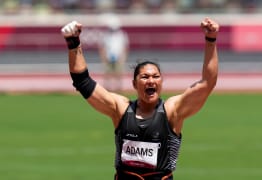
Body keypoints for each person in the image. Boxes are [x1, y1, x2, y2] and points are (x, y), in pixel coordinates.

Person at [61, 17, 219, 180]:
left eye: (156, 76)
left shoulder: (173, 111)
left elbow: (208, 83)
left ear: (161, 82)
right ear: (134, 84)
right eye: (144, 77)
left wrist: (211, 39)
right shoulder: (120, 109)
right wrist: (73, 42)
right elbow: (83, 82)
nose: (151, 80)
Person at [97, 14, 129, 92]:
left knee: (118, 73)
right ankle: (107, 88)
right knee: (107, 73)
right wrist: (104, 57)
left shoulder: (122, 35)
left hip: (119, 57)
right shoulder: (105, 35)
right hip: (108, 57)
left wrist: (123, 57)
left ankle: (118, 88)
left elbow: (125, 47)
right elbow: (102, 47)